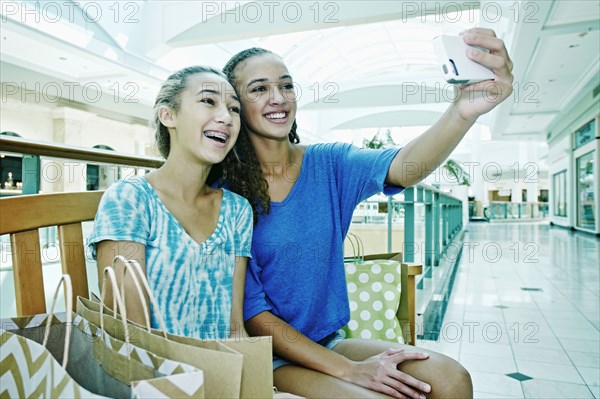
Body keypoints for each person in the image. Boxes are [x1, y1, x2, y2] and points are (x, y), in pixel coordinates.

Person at [220, 28, 514, 398]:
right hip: (269, 354)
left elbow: (405, 165)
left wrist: (463, 110)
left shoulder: (329, 163)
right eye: (259, 89)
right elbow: (253, 316)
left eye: (287, 85)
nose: (278, 98)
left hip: (328, 340)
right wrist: (353, 372)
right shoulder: (226, 194)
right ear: (235, 105)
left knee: (452, 378)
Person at [89, 65, 253, 340]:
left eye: (234, 109)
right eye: (208, 101)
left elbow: (235, 329)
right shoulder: (129, 199)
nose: (226, 117)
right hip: (152, 377)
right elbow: (131, 336)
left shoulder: (237, 211)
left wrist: (258, 382)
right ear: (168, 115)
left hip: (224, 374)